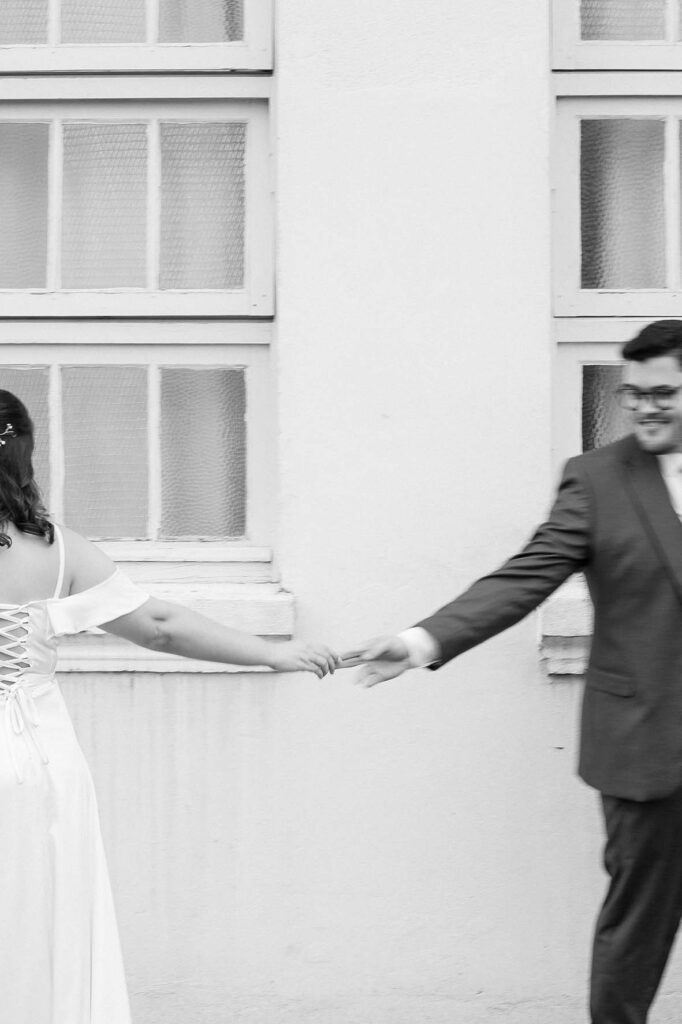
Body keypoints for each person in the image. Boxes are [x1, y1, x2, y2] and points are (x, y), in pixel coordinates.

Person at [350, 318, 682, 1024]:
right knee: (638, 931)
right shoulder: (598, 480)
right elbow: (523, 579)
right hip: (649, 749)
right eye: (633, 394)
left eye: (663, 394)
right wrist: (421, 640)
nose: (644, 408)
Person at [0, 389, 339, 1024]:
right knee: (46, 920)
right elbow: (159, 626)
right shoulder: (58, 549)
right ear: (23, 453)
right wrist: (272, 653)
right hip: (42, 765)